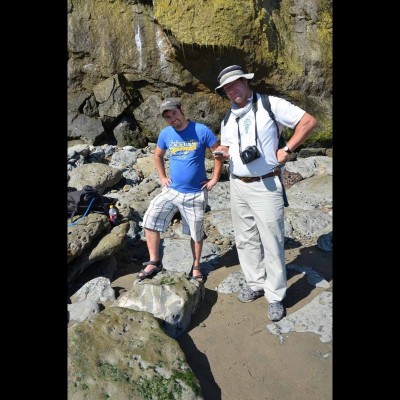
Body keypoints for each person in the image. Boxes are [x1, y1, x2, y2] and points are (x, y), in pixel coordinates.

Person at [213, 65, 317, 321]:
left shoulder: (271, 105)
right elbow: (227, 145)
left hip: (266, 184)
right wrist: (223, 152)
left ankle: (275, 296)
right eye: (227, 88)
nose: (232, 89)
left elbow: (308, 121)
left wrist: (288, 149)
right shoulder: (228, 117)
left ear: (246, 82)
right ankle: (255, 283)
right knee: (245, 238)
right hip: (237, 184)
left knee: (272, 241)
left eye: (235, 83)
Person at [138, 98, 223, 283]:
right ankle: (154, 261)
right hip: (172, 190)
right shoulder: (166, 134)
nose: (172, 119)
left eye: (174, 113)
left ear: (181, 110)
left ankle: (196, 267)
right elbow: (158, 155)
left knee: (195, 232)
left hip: (195, 192)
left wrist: (215, 178)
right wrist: (162, 177)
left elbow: (218, 153)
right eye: (168, 117)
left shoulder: (201, 130)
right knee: (150, 219)